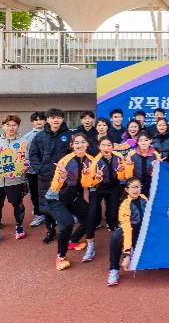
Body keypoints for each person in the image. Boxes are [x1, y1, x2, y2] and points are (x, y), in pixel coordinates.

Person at [45, 133, 95, 270]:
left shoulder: (91, 160)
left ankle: (72, 241)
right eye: (76, 143)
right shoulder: (65, 161)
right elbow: (55, 187)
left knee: (90, 219)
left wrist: (91, 176)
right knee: (67, 223)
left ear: (87, 144)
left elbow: (87, 184)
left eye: (83, 142)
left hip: (73, 197)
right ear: (71, 145)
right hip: (56, 198)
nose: (80, 145)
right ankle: (61, 256)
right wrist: (61, 178)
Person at [29, 108, 72, 244]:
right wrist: (39, 169)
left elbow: (75, 154)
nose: (56, 120)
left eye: (58, 117)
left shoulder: (70, 135)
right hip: (45, 177)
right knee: (47, 205)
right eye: (53, 117)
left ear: (62, 119)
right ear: (47, 119)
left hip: (64, 177)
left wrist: (71, 170)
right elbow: (33, 154)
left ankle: (65, 232)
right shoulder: (40, 136)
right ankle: (51, 230)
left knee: (65, 203)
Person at [0, 114, 28, 246]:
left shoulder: (24, 142)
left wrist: (25, 166)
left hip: (15, 180)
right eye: (8, 125)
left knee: (17, 203)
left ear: (18, 126)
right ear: (3, 126)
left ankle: (19, 226)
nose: (11, 127)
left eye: (14, 125)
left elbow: (28, 159)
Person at [83, 136, 126, 262]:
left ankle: (120, 242)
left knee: (113, 216)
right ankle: (90, 245)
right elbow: (89, 183)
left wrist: (121, 172)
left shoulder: (119, 157)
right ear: (99, 147)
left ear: (113, 146)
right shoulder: (94, 161)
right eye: (103, 145)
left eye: (108, 145)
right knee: (91, 215)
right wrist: (97, 177)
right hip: (97, 189)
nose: (106, 148)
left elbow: (123, 176)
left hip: (113, 189)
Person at [107, 177, 148, 286]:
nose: (136, 190)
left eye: (138, 187)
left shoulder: (144, 198)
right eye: (133, 187)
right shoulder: (124, 205)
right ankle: (114, 269)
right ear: (127, 189)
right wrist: (127, 254)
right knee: (116, 237)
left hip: (143, 232)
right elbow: (127, 229)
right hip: (131, 232)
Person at [23, 111, 46, 227]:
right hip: (33, 171)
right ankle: (39, 214)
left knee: (50, 192)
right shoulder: (27, 136)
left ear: (45, 120)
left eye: (41, 119)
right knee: (35, 193)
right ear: (32, 122)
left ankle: (51, 214)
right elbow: (25, 154)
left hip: (48, 170)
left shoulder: (50, 133)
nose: (39, 122)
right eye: (36, 120)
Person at [124, 131, 161, 198]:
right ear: (138, 142)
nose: (143, 143)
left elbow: (157, 174)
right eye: (140, 141)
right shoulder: (131, 154)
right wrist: (129, 166)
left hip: (150, 183)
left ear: (150, 141)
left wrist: (154, 167)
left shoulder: (156, 155)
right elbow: (128, 175)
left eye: (146, 140)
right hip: (135, 183)